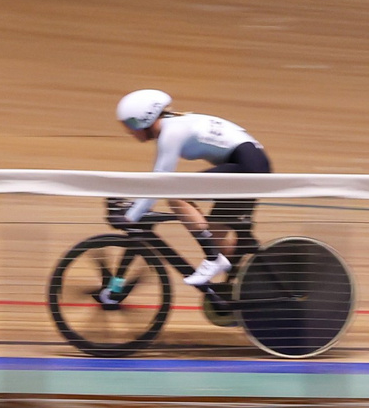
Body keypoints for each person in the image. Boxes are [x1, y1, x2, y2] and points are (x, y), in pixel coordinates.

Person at [114, 90, 270, 292]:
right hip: (246, 163)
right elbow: (156, 180)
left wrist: (130, 217)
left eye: (130, 125)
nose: (129, 132)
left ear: (143, 120)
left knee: (176, 196)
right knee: (216, 237)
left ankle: (213, 259)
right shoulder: (173, 126)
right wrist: (135, 209)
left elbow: (160, 181)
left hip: (248, 165)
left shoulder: (171, 132)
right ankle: (246, 278)